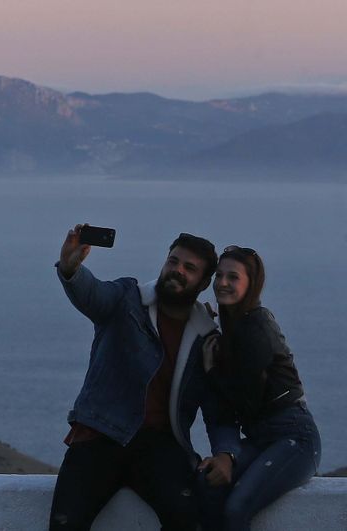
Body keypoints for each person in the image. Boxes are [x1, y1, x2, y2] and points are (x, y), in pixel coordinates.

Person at [49, 227, 238, 530]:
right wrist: (71, 268)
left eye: (189, 268)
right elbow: (92, 295)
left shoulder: (207, 340)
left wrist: (226, 454)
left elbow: (219, 410)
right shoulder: (127, 298)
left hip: (160, 447)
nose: (177, 270)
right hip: (99, 436)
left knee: (190, 521)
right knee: (65, 524)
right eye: (173, 261)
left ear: (203, 283)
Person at [195, 245, 321, 530]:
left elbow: (246, 401)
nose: (222, 283)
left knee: (238, 506)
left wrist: (211, 370)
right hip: (262, 438)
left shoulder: (256, 327)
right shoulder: (233, 328)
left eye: (233, 277)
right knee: (207, 484)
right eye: (219, 275)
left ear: (251, 284)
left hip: (295, 438)